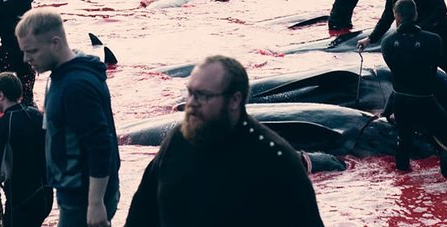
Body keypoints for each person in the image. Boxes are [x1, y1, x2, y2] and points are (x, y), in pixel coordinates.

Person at [124, 55, 325, 227]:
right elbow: (142, 214)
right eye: (191, 93)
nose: (192, 103)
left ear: (235, 100)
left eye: (203, 96)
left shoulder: (276, 159)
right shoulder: (177, 140)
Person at [16, 9, 120, 227]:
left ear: (55, 43)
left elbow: (101, 145)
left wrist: (95, 203)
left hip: (82, 195)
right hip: (74, 189)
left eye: (32, 51)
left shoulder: (75, 86)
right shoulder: (64, 74)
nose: (26, 59)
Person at [381, 0, 447, 176]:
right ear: (416, 14)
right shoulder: (434, 40)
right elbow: (433, 67)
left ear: (396, 16)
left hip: (401, 101)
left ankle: (402, 179)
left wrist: (387, 109)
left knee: (404, 140)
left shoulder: (387, 43)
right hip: (426, 99)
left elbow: (395, 72)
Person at [0, 72, 53, 227]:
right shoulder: (37, 115)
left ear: (1, 95)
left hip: (20, 199)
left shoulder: (1, 125)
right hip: (45, 195)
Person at [357, 0, 447, 75]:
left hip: (441, 33)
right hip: (416, 39)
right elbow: (386, 19)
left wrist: (420, 27)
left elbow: (441, 9)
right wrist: (370, 39)